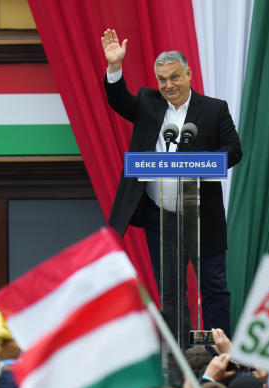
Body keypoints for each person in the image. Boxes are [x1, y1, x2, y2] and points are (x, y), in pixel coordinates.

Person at [101, 29, 243, 342]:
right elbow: (118, 100)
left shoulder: (214, 108)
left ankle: (221, 355)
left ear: (188, 74)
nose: (169, 85)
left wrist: (198, 162)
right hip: (160, 216)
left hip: (203, 215)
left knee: (214, 287)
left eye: (175, 77)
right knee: (171, 292)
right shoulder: (148, 103)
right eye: (162, 79)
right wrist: (114, 67)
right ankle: (180, 359)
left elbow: (234, 149)